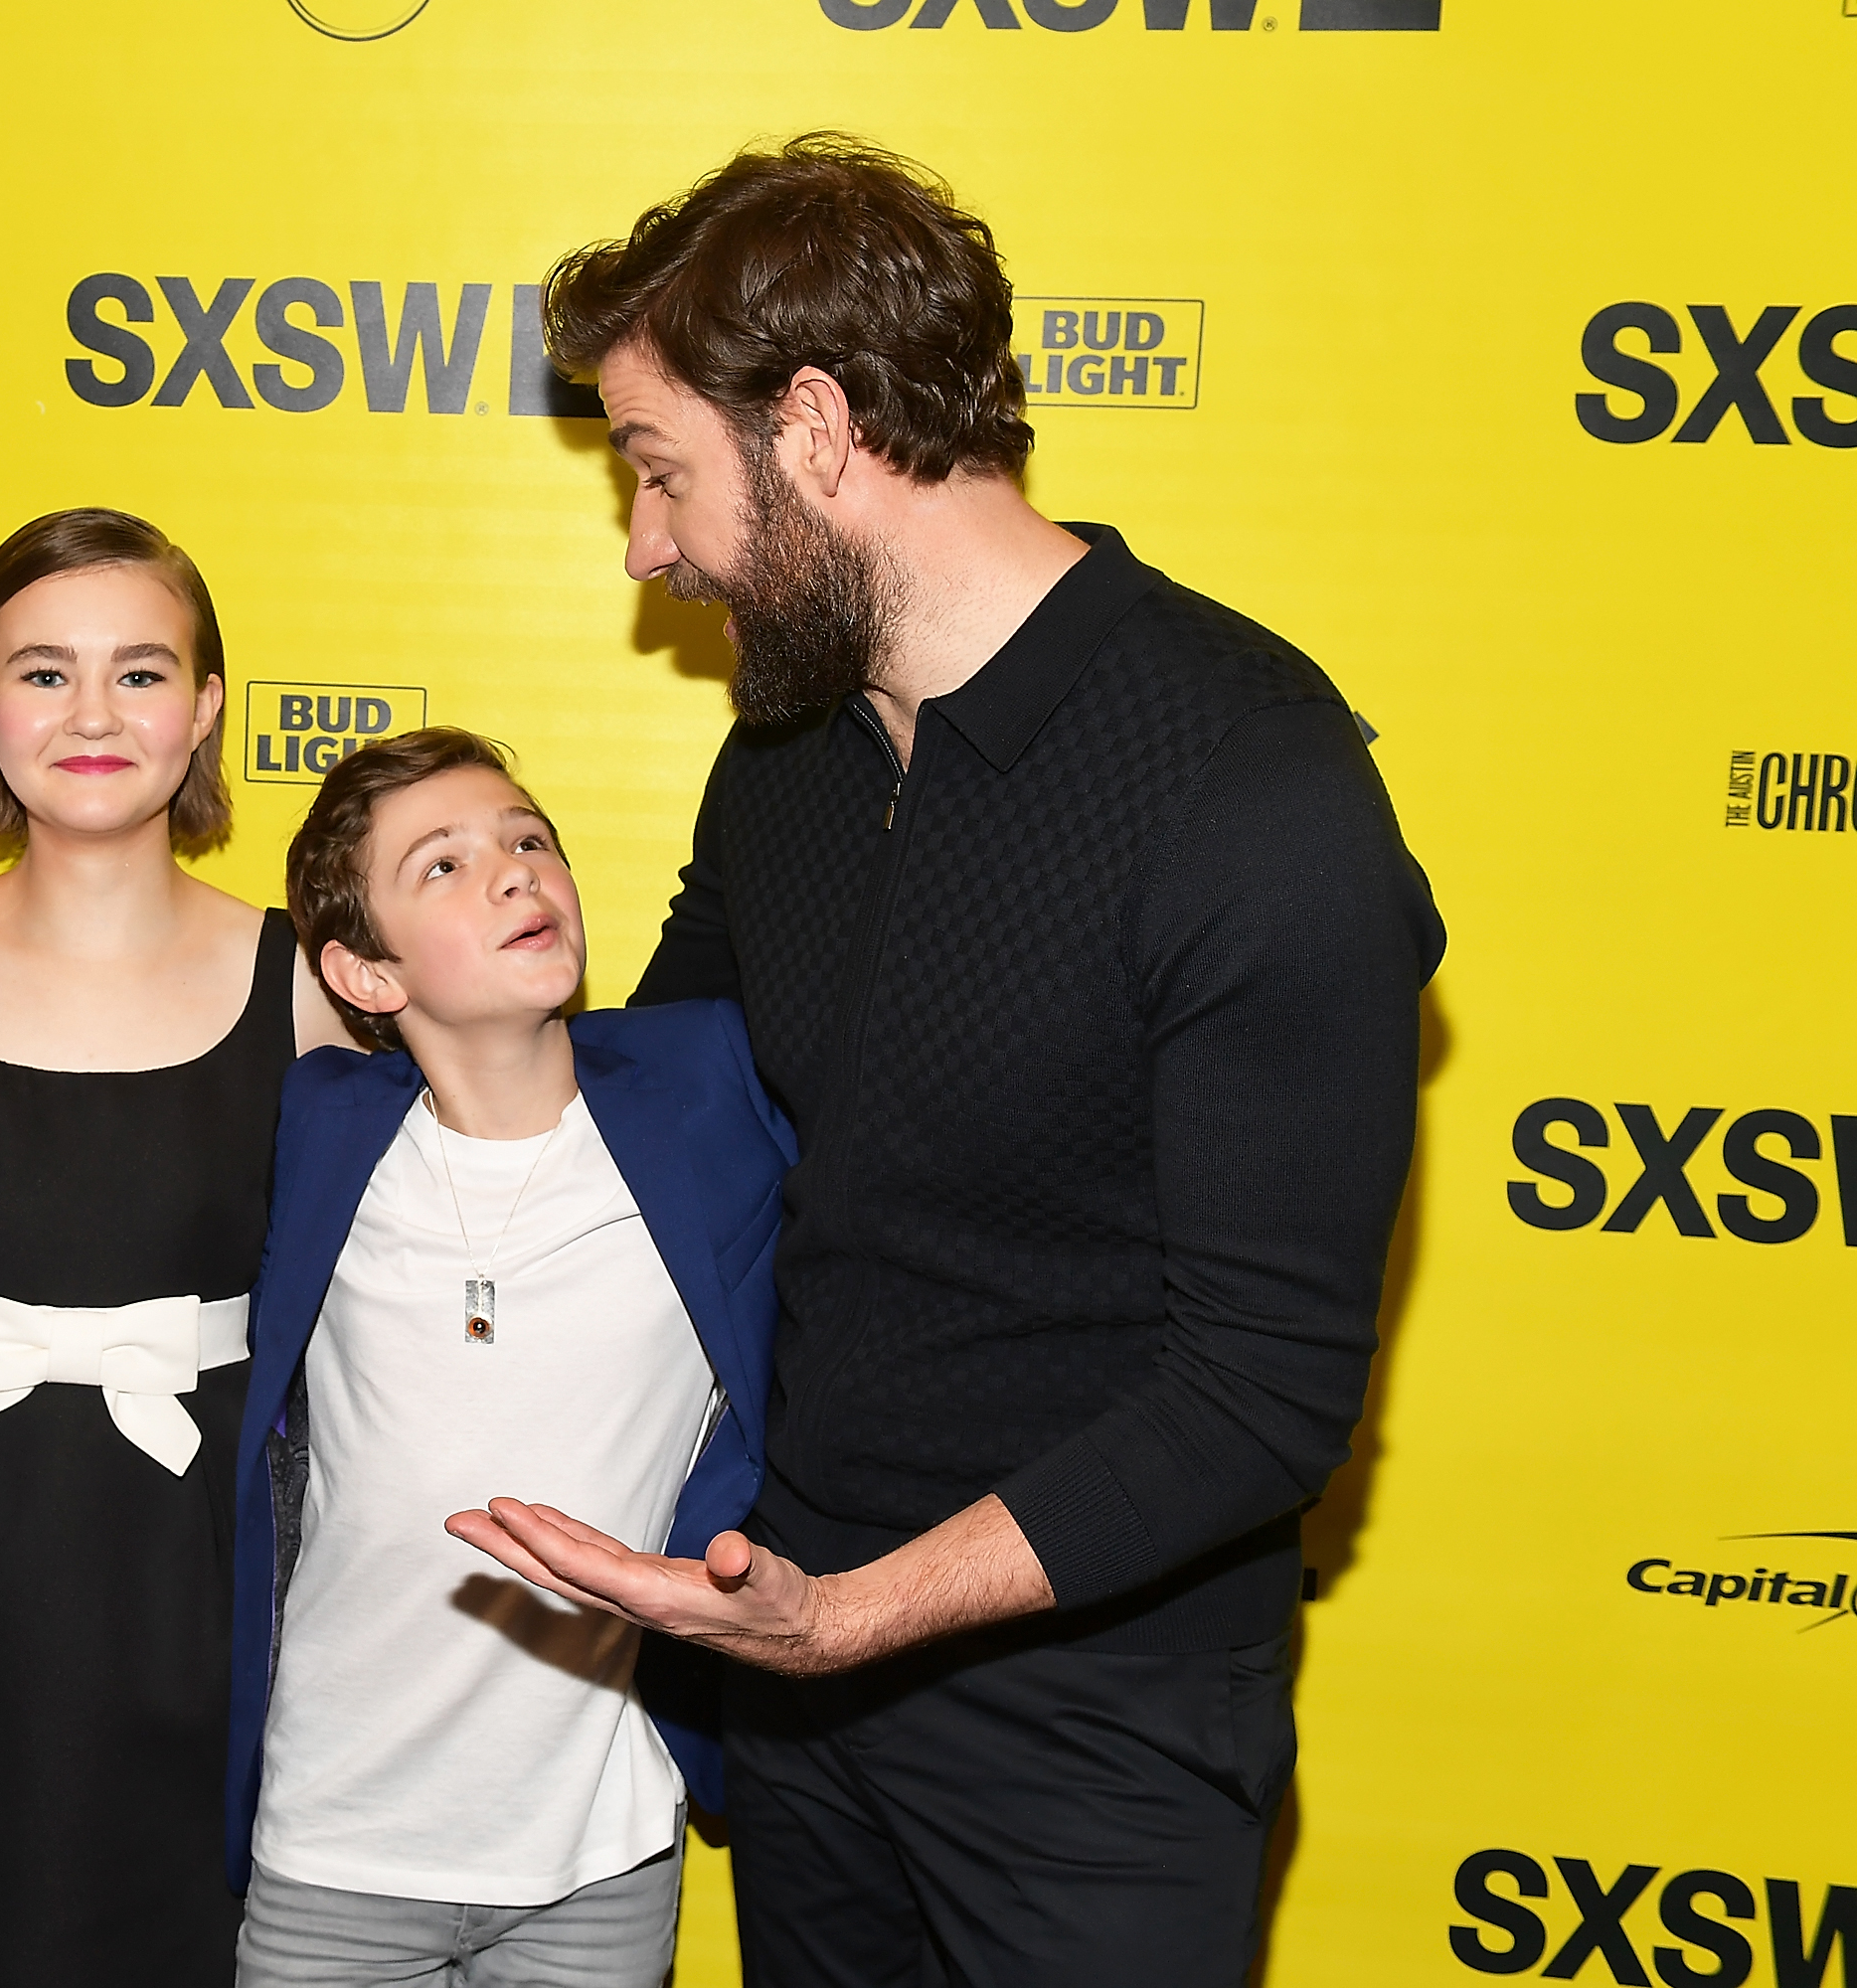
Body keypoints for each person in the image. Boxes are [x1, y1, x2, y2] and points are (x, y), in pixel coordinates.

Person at [447, 136, 1447, 1987]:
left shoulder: (1251, 783)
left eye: (659, 474)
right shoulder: (792, 758)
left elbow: (1261, 1392)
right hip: (798, 1691)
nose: (649, 550)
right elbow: (650, 1093)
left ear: (815, 427)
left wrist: (858, 1618)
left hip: (1100, 1730)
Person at [0, 509, 351, 1988]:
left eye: (141, 672)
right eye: (42, 674)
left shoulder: (311, 990)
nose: (93, 714)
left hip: (202, 1589)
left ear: (208, 709)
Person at [223, 730, 794, 1988]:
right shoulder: (321, 1121)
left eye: (529, 839)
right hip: (336, 1841)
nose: (514, 873)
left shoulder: (706, 1091)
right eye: (444, 865)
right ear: (365, 972)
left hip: (596, 1851)